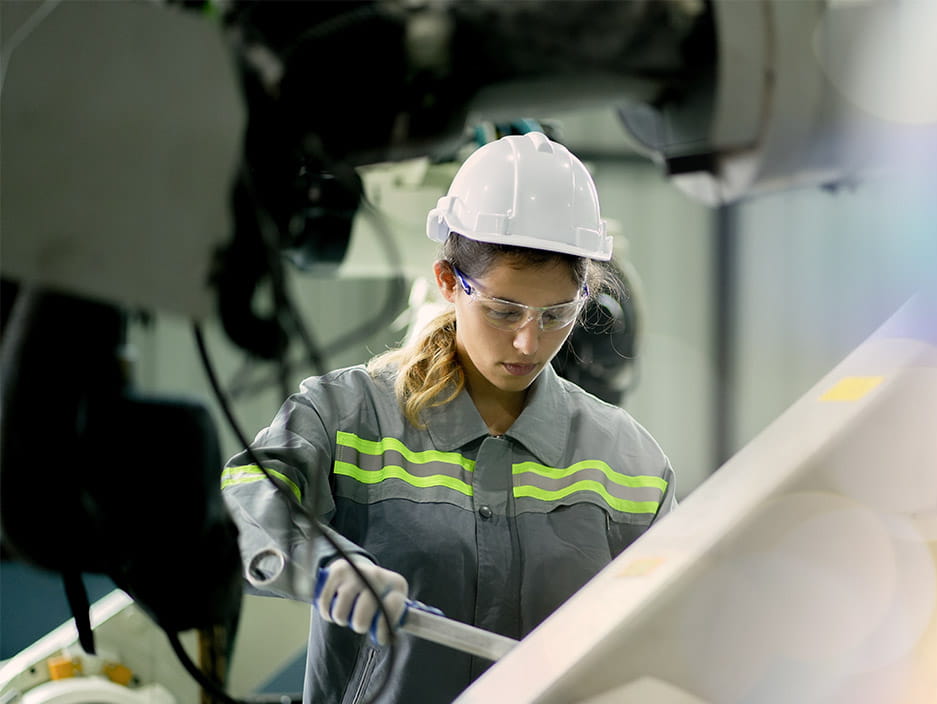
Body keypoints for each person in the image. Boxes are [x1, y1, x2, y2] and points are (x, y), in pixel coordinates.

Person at [220, 132, 677, 703]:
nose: (529, 341)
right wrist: (325, 564)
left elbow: (677, 626)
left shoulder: (628, 461)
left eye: (558, 313)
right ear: (447, 282)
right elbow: (243, 502)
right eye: (504, 309)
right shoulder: (347, 417)